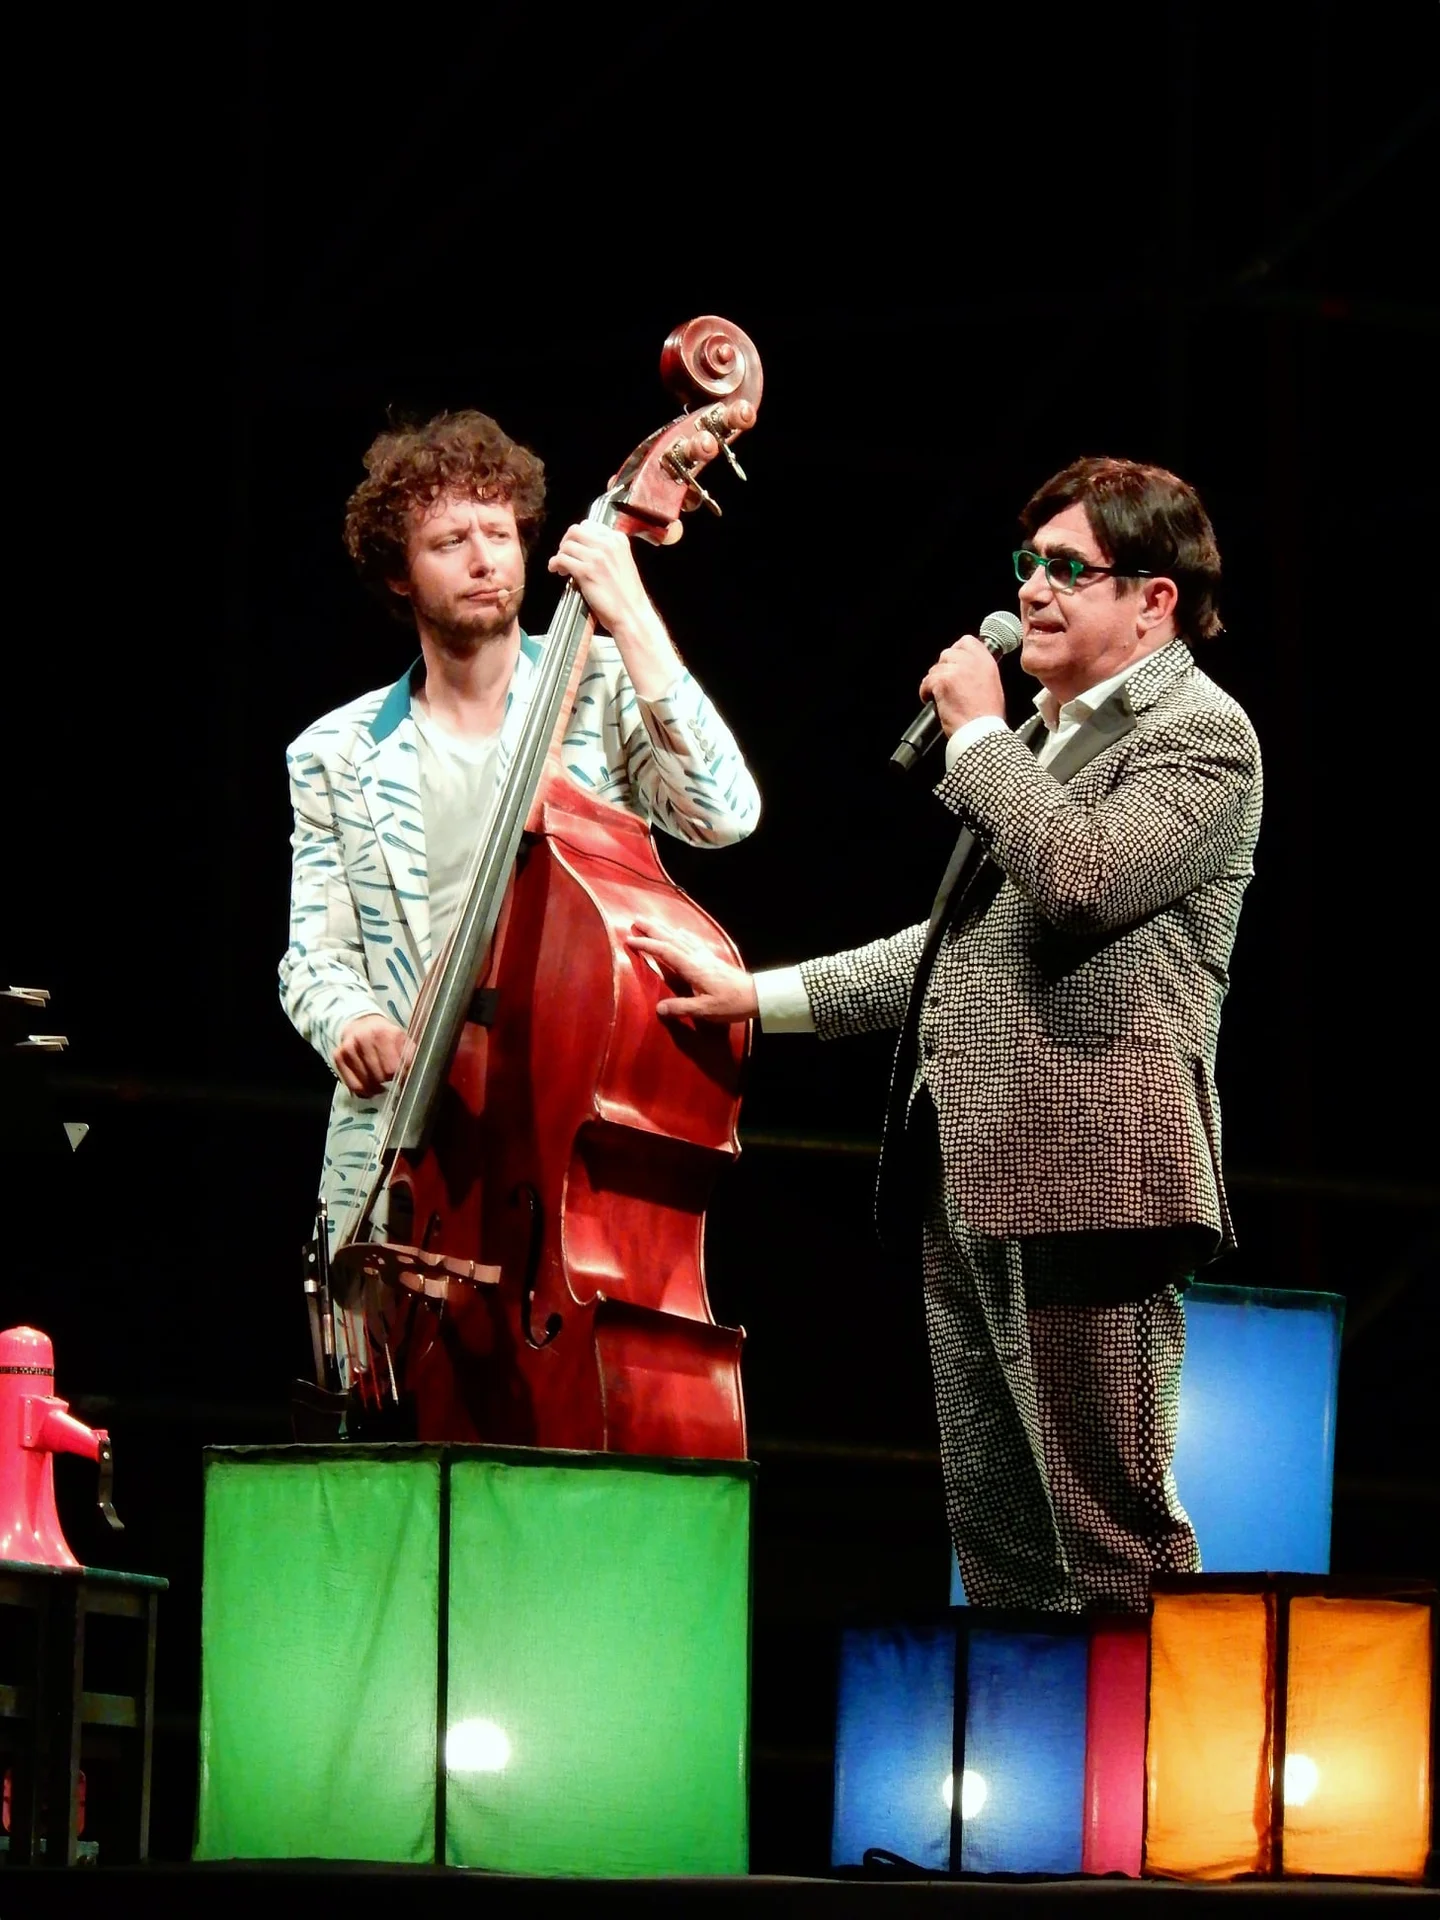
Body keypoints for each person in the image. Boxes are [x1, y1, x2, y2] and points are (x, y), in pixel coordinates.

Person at [631, 455, 1262, 1615]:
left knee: (1112, 1540)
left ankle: (1150, 1742)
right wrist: (757, 996)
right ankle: (1037, 1740)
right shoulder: (1047, 737)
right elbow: (958, 949)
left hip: (1096, 1178)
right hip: (970, 1170)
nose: (1033, 590)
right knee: (1001, 1544)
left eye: (1069, 568)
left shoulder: (1202, 736)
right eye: (1029, 563)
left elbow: (1082, 881)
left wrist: (976, 737)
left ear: (1155, 600)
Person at [279, 408, 760, 1286]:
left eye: (499, 534)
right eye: (449, 541)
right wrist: (352, 1020)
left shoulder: (605, 688)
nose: (484, 560)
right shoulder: (333, 754)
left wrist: (633, 618)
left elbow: (725, 814)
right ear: (398, 573)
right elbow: (312, 956)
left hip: (560, 1133)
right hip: (400, 1152)